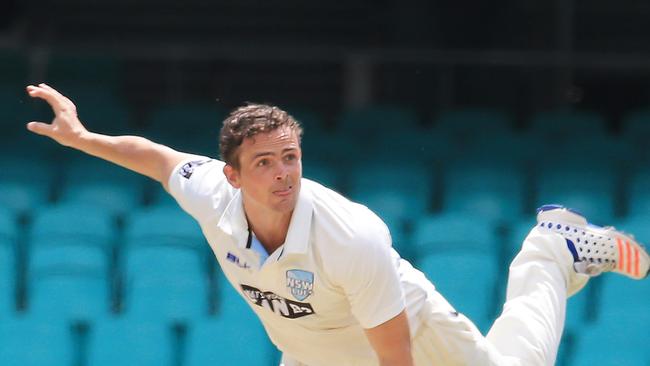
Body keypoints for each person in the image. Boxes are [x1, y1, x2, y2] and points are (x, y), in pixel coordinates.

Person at [25, 83, 649, 366]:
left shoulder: (350, 236)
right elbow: (156, 157)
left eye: (290, 158)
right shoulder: (211, 193)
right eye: (264, 163)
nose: (282, 174)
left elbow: (394, 360)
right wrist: (82, 139)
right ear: (233, 174)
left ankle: (549, 250)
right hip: (313, 354)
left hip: (408, 337)